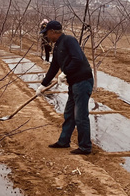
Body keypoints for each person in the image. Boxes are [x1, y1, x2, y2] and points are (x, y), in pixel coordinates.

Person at [37, 20, 94, 155]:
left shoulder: (69, 40)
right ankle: (64, 141)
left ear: (52, 32)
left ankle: (85, 147)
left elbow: (78, 58)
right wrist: (43, 85)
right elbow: (53, 67)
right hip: (74, 83)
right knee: (69, 114)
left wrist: (65, 72)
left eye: (46, 34)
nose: (46, 36)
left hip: (83, 81)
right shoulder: (57, 47)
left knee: (80, 116)